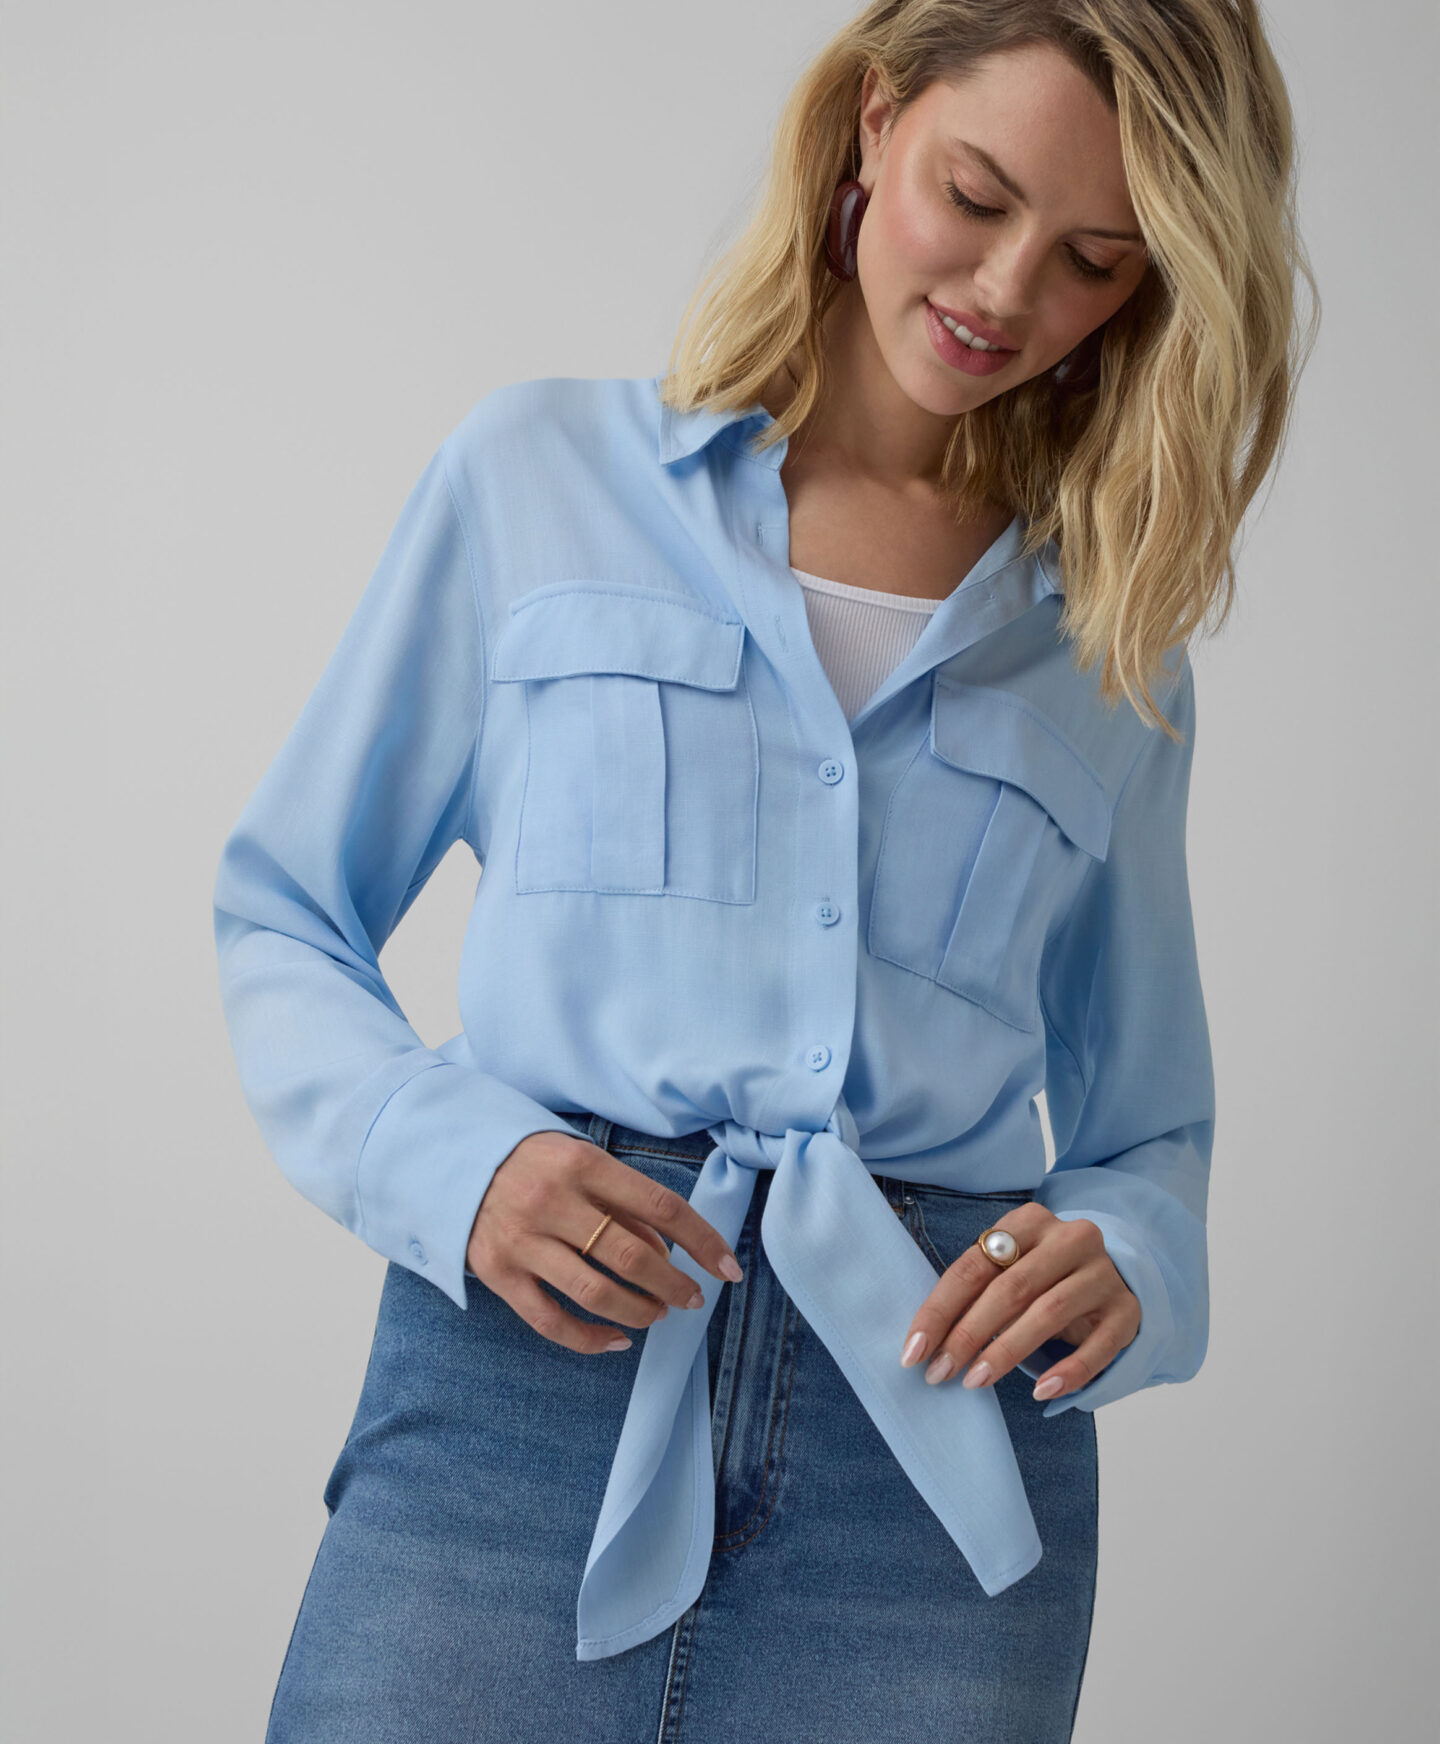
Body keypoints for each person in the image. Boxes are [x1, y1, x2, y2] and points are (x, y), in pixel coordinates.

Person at [213, 3, 1317, 1739]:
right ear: (874, 122)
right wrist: (456, 1163)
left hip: (930, 1463)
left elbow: (1149, 1131)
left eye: (1095, 260)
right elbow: (286, 907)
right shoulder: (536, 477)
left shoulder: (1112, 650)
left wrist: (1131, 1257)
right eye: (977, 196)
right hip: (521, 1400)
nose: (1009, 289)